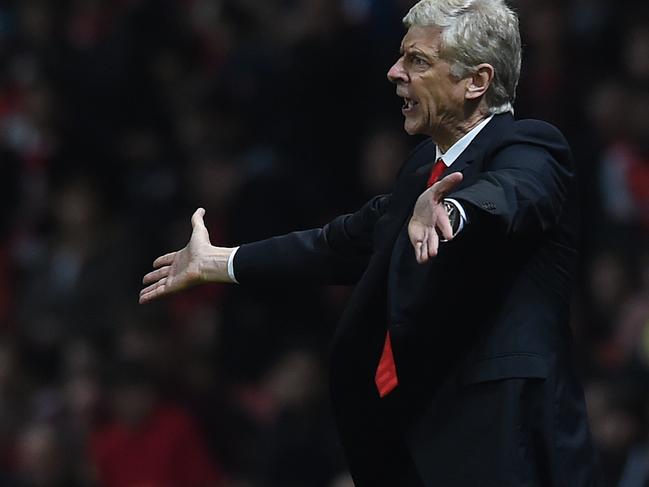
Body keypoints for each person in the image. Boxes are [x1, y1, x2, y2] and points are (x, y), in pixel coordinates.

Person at [140, 0, 595, 485]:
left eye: (417, 61)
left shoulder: (531, 146)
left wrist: (453, 212)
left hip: (509, 447)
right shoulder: (420, 172)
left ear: (476, 82)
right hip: (416, 448)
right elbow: (335, 245)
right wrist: (221, 261)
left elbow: (512, 194)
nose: (395, 71)